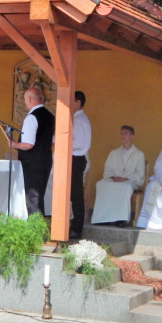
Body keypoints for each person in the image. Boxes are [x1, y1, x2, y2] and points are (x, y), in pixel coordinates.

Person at [3, 87, 55, 216]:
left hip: (32, 163)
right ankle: (39, 226)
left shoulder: (32, 117)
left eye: (25, 99)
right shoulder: (50, 116)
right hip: (45, 159)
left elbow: (28, 144)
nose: (25, 102)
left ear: (30, 99)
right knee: (38, 197)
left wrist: (14, 144)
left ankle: (35, 227)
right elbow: (53, 141)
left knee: (32, 199)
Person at [91, 126, 146, 226]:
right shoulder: (114, 153)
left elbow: (139, 174)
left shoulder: (139, 154)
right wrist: (113, 177)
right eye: (121, 133)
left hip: (130, 181)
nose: (122, 135)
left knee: (125, 187)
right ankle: (103, 218)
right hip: (114, 179)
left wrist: (125, 178)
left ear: (132, 136)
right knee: (101, 184)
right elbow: (108, 169)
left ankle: (121, 219)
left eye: (125, 133)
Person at [69, 91, 91, 238]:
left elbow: (78, 143)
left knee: (76, 194)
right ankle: (75, 225)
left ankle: (77, 228)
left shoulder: (79, 120)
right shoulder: (79, 118)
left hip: (76, 159)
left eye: (72, 101)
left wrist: (61, 141)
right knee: (74, 194)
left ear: (78, 103)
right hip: (75, 158)